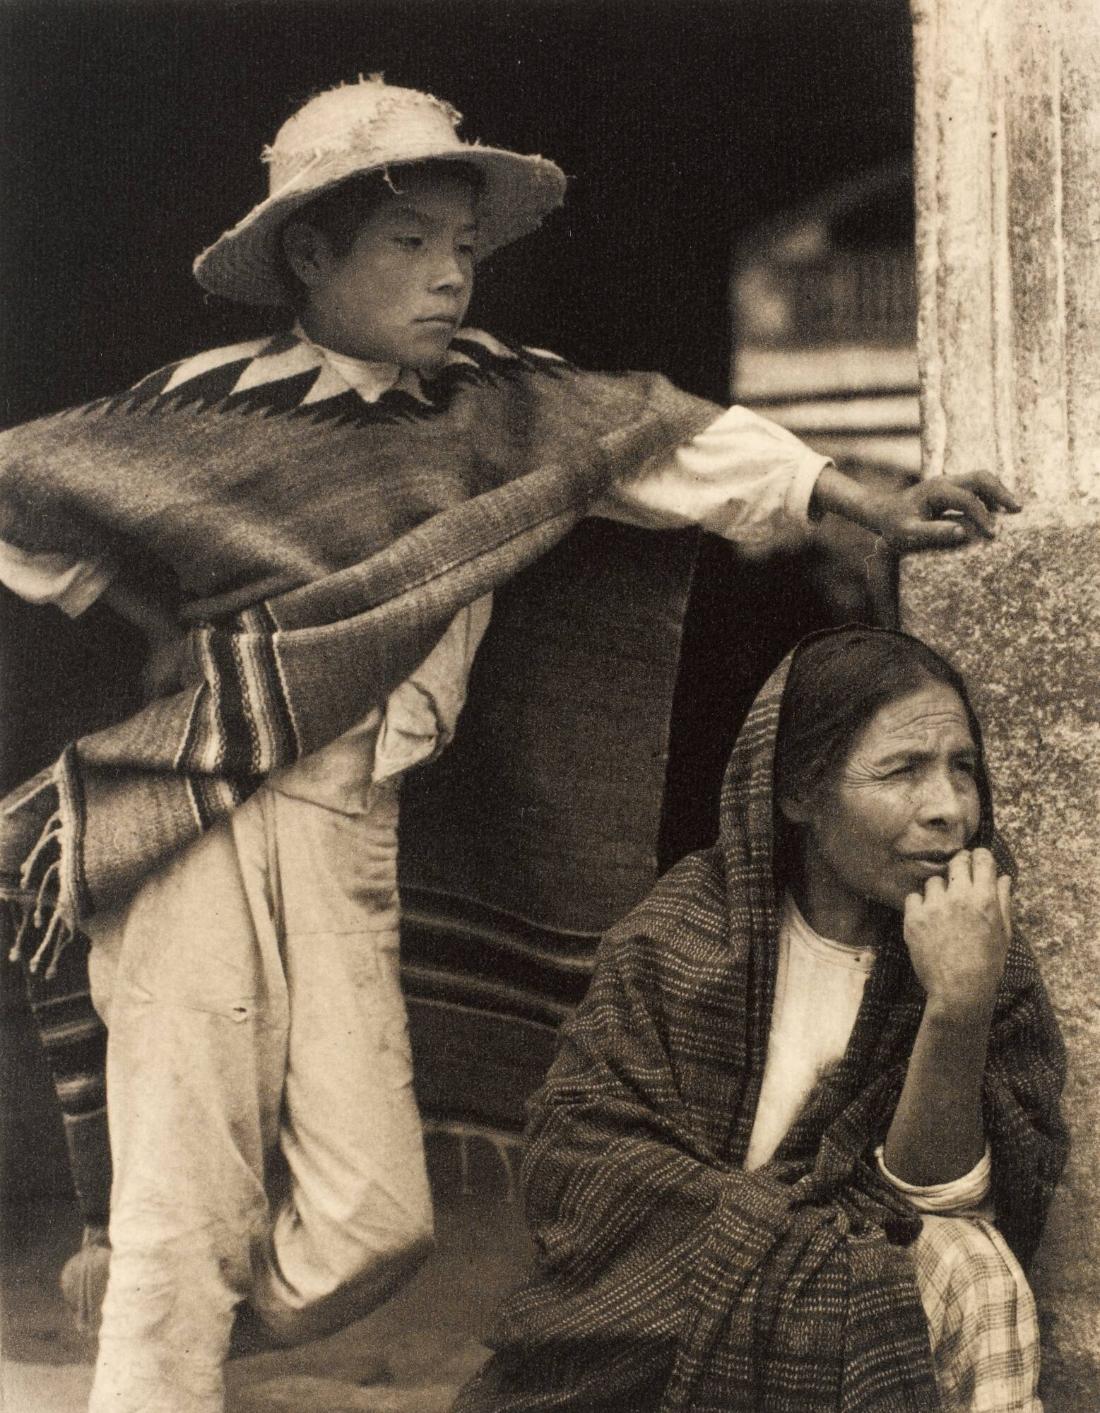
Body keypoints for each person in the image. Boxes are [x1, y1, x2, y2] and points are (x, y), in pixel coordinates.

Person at [0, 79, 1021, 1413]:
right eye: (408, 243)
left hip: (354, 822)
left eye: (463, 248)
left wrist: (857, 497)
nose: (447, 278)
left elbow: (673, 440)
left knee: (376, 1219)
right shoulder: (212, 403)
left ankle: (139, 1324)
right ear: (309, 251)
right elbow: (28, 500)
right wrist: (173, 626)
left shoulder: (499, 405)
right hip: (204, 811)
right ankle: (149, 1341)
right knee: (187, 1196)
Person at [455, 626, 1068, 1413]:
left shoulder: (983, 952)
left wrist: (957, 1005)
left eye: (963, 769)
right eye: (903, 770)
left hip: (863, 1307)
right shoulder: (678, 941)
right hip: (657, 1331)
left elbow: (940, 1206)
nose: (950, 808)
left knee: (977, 1273)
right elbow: (580, 1167)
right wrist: (802, 1257)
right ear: (798, 792)